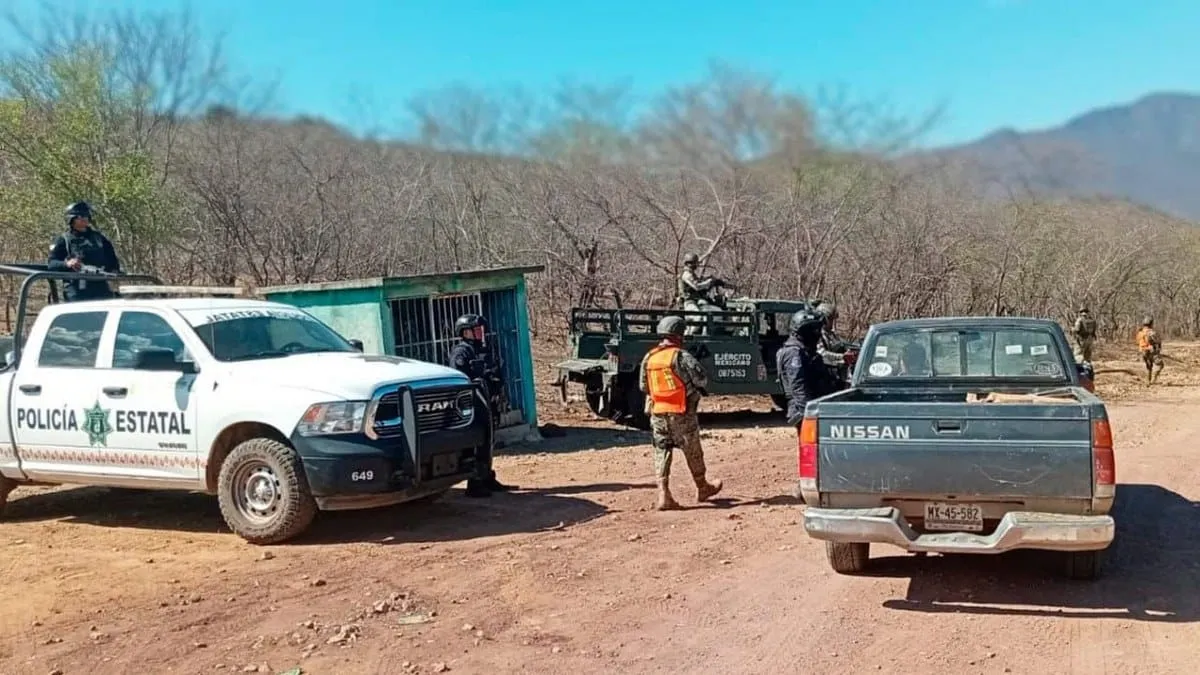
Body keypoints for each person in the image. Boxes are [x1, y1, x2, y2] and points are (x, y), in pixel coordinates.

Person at [638, 315, 722, 510]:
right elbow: (701, 380)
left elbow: (644, 386)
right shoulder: (681, 356)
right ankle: (702, 487)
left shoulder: (649, 357)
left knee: (661, 451)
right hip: (681, 412)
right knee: (693, 450)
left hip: (658, 413)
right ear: (680, 334)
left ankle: (663, 494)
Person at [448, 313, 514, 497]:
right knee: (478, 443)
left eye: (480, 330)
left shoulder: (483, 350)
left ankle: (487, 477)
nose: (480, 333)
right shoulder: (461, 352)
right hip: (474, 405)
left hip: (488, 402)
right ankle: (475, 482)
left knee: (489, 442)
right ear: (465, 332)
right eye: (475, 330)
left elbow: (492, 374)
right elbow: (460, 377)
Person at [775, 310, 840, 427]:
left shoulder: (806, 350)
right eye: (815, 330)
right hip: (803, 409)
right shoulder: (793, 353)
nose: (818, 334)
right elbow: (798, 386)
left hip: (814, 404)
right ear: (806, 330)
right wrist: (809, 414)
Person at [48, 201, 121, 302]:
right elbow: (52, 264)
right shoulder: (63, 240)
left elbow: (113, 262)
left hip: (100, 287)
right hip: (76, 290)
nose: (84, 219)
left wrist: (113, 271)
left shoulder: (99, 239)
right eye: (80, 216)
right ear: (72, 219)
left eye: (86, 216)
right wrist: (67, 264)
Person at [677, 253, 726, 336]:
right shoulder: (686, 274)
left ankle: (705, 334)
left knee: (715, 312)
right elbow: (697, 286)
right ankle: (689, 336)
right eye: (694, 263)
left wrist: (710, 281)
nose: (696, 265)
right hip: (689, 302)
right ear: (688, 263)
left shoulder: (692, 274)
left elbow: (698, 283)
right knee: (698, 317)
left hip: (696, 302)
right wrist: (708, 282)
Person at [1135, 316, 1164, 385]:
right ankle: (1153, 379)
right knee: (1160, 365)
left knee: (1149, 366)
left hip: (1142, 351)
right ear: (1151, 323)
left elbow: (1137, 342)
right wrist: (1158, 349)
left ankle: (1148, 381)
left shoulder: (1140, 333)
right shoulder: (1152, 332)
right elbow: (1158, 341)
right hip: (1151, 351)